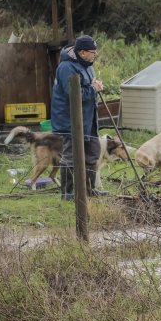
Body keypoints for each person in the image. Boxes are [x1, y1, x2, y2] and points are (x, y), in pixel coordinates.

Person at [50, 34, 106, 199]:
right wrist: (93, 89)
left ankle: (88, 190)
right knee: (71, 156)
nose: (95, 54)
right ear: (82, 52)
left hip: (88, 119)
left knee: (93, 152)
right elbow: (73, 94)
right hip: (71, 120)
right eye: (92, 51)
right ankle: (67, 193)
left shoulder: (88, 65)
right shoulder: (66, 67)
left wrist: (95, 85)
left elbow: (89, 86)